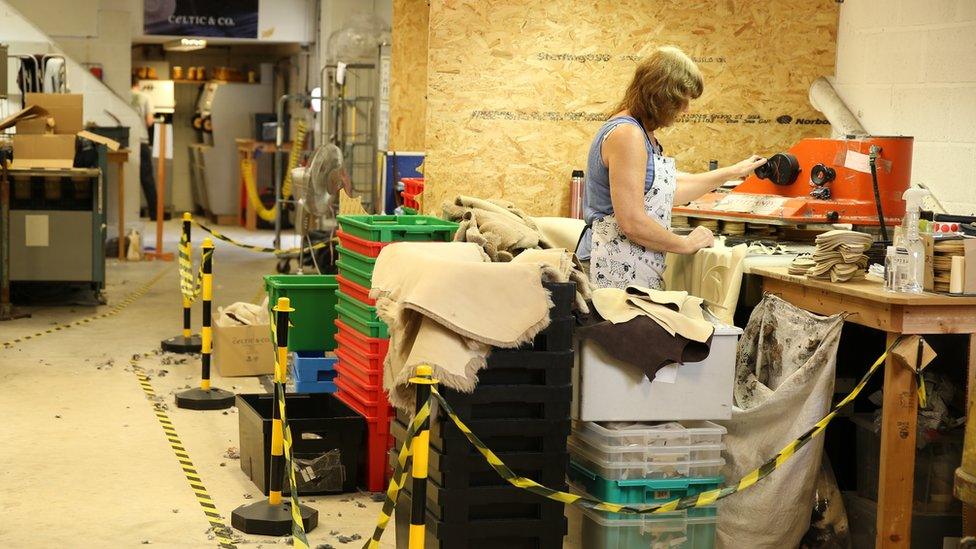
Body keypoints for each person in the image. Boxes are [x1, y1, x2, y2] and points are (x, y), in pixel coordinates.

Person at [578, 46, 767, 291]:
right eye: (682, 101)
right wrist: (685, 243)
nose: (687, 110)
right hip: (608, 261)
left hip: (631, 261)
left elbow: (669, 191)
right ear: (661, 96)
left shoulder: (644, 134)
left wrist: (732, 172)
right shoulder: (627, 134)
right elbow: (632, 222)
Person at [130, 75, 157, 220]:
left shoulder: (123, 95)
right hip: (141, 141)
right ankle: (154, 214)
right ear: (137, 84)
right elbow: (149, 121)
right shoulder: (145, 97)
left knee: (128, 177)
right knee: (147, 178)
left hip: (126, 141)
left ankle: (130, 212)